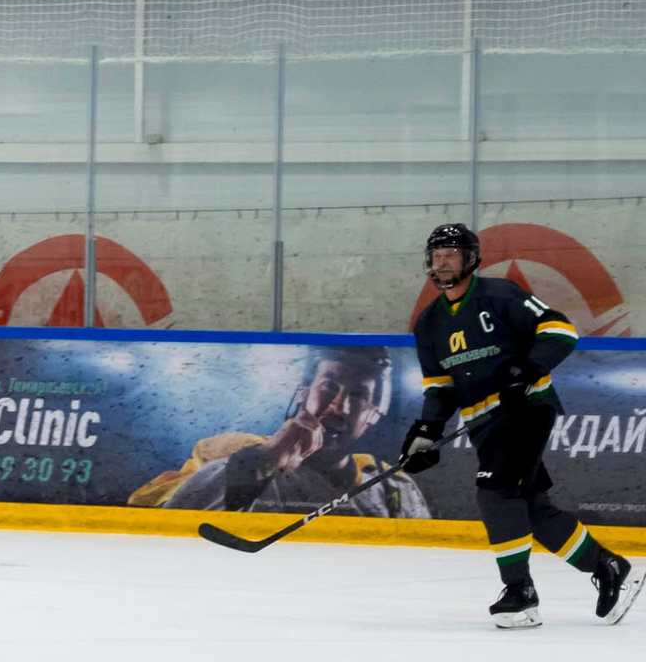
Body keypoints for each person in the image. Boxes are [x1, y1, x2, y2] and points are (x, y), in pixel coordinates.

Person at [398, 222, 638, 627]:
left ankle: (520, 593)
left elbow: (560, 330)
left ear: (471, 259)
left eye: (451, 254)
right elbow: (440, 387)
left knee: (496, 492)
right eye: (437, 256)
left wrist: (527, 368)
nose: (442, 263)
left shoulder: (500, 294)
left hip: (525, 410)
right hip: (483, 424)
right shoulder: (428, 324)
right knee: (531, 507)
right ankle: (606, 566)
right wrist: (426, 431)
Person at [132, 347, 429, 518]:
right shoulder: (233, 451)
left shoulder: (392, 487)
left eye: (358, 395)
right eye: (328, 387)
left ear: (373, 414)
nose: (339, 405)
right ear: (304, 393)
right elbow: (168, 515)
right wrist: (264, 459)